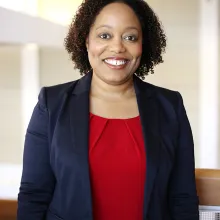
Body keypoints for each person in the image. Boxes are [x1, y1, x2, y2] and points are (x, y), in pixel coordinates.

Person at [17, 0, 199, 219]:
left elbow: (182, 197)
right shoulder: (51, 104)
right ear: (86, 41)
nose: (117, 47)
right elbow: (34, 195)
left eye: (130, 37)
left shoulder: (170, 106)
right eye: (105, 35)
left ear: (143, 44)